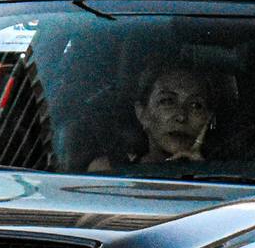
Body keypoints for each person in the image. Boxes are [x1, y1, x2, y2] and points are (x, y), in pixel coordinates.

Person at [89, 56, 219, 171]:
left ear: (209, 119)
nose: (181, 116)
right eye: (167, 102)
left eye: (196, 106)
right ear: (142, 113)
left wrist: (201, 172)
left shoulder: (229, 180)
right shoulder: (107, 171)